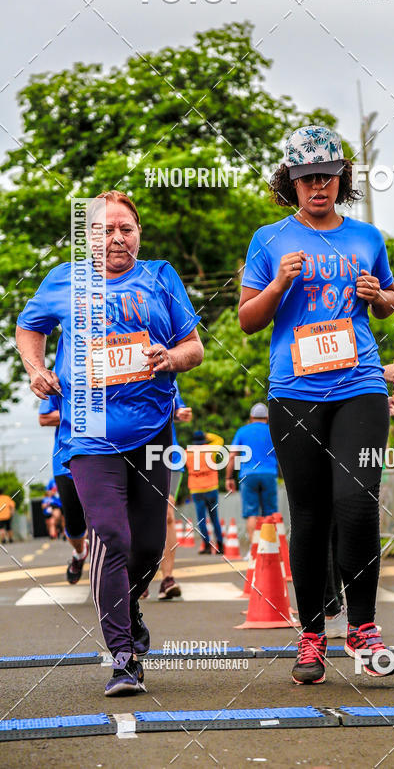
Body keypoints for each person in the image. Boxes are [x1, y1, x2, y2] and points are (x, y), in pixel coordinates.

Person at [16, 190, 203, 696]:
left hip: (152, 428)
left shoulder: (161, 277)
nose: (117, 238)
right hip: (89, 429)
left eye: (126, 228)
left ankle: (130, 604)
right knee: (112, 537)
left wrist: (171, 358)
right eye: (104, 229)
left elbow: (194, 348)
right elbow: (28, 327)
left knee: (149, 545)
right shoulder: (64, 280)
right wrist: (36, 369)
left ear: (138, 234)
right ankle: (123, 658)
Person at [239, 124, 394, 684]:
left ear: (341, 179)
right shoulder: (268, 239)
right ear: (291, 182)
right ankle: (311, 636)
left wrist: (379, 296)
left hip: (360, 385)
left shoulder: (367, 237)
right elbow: (247, 321)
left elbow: (389, 300)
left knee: (357, 503)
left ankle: (363, 626)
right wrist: (277, 286)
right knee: (308, 514)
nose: (317, 187)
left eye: (327, 177)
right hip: (294, 392)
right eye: (307, 178)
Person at [39, 385, 88, 582]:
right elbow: (45, 418)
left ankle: (127, 573)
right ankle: (80, 553)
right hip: (65, 462)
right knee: (75, 526)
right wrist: (84, 413)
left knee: (108, 517)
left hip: (105, 456)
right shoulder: (57, 377)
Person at [157, 380, 193, 600]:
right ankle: (138, 575)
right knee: (136, 516)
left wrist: (181, 413)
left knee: (168, 514)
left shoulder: (170, 378)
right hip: (134, 451)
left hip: (168, 454)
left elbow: (178, 409)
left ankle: (167, 579)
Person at [225, 403, 278, 545]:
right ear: (267, 417)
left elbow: (232, 456)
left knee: (251, 513)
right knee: (270, 514)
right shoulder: (272, 431)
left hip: (248, 476)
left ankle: (254, 550)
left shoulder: (242, 431)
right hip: (269, 474)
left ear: (251, 417)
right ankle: (270, 549)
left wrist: (229, 478)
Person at [187, 429, 225, 554]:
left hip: (196, 489)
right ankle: (220, 546)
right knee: (214, 518)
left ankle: (207, 546)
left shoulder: (187, 452)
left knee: (201, 520)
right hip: (211, 488)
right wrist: (207, 435)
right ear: (203, 440)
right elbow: (220, 440)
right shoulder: (211, 449)